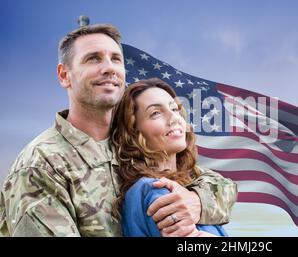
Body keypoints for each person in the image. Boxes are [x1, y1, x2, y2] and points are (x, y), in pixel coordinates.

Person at [0, 24, 237, 237]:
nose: (109, 68)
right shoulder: (41, 166)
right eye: (93, 59)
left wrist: (197, 201)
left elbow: (219, 184)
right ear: (64, 75)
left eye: (116, 59)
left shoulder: (134, 141)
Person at [111, 78, 234, 237]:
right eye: (155, 113)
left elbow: (225, 186)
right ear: (133, 133)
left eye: (175, 109)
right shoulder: (155, 190)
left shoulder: (187, 185)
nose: (174, 118)